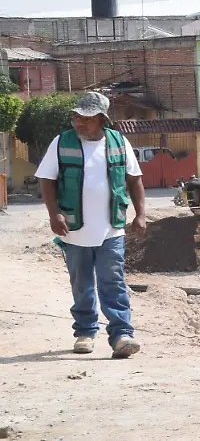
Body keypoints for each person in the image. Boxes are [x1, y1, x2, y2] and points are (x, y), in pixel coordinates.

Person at [35, 91, 147, 359]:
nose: (79, 122)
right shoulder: (61, 143)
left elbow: (134, 180)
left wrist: (141, 214)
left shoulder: (118, 142)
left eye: (85, 118)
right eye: (76, 117)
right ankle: (85, 331)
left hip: (111, 229)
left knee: (113, 282)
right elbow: (47, 181)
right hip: (73, 231)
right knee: (82, 284)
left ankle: (121, 335)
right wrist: (54, 213)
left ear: (101, 119)